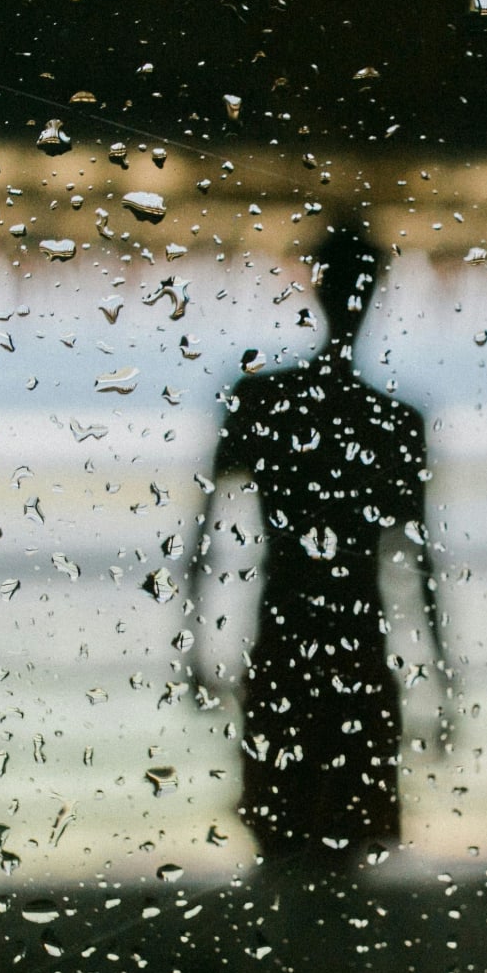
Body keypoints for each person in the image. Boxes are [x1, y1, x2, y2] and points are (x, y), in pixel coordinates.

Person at [187, 217, 446, 869]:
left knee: (287, 837)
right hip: (350, 642)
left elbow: (204, 536)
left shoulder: (265, 401)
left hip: (293, 636)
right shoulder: (390, 422)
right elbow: (417, 567)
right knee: (336, 843)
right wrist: (439, 677)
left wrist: (194, 643)